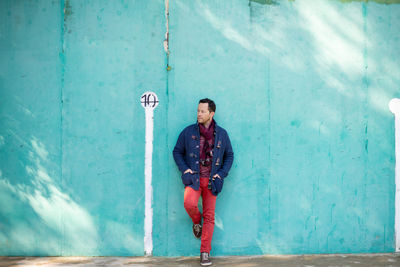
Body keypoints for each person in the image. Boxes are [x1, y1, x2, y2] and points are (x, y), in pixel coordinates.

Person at [173, 98, 234, 266]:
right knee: (189, 204)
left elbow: (229, 155)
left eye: (202, 111)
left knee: (209, 216)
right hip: (194, 178)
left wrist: (221, 174)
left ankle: (205, 252)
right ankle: (195, 221)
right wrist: (185, 169)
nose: (198, 114)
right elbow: (177, 151)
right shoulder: (188, 132)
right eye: (198, 111)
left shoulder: (222, 134)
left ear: (211, 114)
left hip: (212, 181)